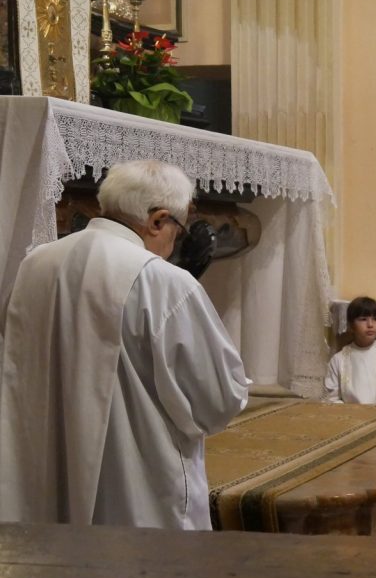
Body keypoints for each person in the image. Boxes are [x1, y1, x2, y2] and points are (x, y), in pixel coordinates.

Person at [0, 159, 250, 530]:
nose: (174, 243)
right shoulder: (164, 282)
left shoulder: (33, 265)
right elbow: (217, 401)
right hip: (139, 495)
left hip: (43, 479)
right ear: (158, 220)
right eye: (178, 230)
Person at [324, 296, 376, 404]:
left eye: (375, 319)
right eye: (363, 319)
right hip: (347, 413)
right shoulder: (338, 360)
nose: (370, 325)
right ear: (351, 325)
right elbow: (332, 399)